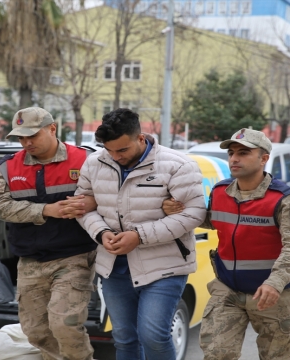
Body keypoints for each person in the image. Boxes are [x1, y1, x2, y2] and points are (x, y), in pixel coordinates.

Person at [75, 108, 206, 360]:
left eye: (122, 150)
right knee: (124, 339)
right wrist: (101, 233)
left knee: (154, 337)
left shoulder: (178, 165)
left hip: (165, 266)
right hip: (114, 267)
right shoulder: (94, 162)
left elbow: (192, 215)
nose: (115, 156)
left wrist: (139, 236)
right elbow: (83, 208)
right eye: (109, 150)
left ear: (141, 138)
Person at [0, 107, 98, 360]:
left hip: (74, 256)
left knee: (65, 324)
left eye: (33, 136)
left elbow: (113, 195)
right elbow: (0, 207)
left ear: (52, 129)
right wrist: (47, 210)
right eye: (21, 138)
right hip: (30, 259)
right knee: (35, 331)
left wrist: (90, 203)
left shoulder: (86, 160)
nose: (26, 143)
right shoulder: (8, 167)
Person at [198, 128, 290, 360]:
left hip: (272, 295)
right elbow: (208, 220)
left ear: (264, 158)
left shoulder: (285, 199)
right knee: (216, 354)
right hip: (227, 289)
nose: (234, 158)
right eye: (231, 153)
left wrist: (274, 283)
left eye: (244, 153)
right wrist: (177, 209)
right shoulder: (219, 192)